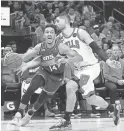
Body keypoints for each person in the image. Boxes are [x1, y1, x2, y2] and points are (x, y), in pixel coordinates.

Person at [49, 13, 121, 130]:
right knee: (91, 99)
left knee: (71, 86)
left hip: (91, 67)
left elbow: (96, 48)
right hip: (78, 71)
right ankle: (113, 109)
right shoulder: (59, 39)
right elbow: (58, 57)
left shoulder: (80, 33)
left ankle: (66, 121)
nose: (55, 23)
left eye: (57, 21)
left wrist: (108, 61)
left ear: (66, 21)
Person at [11, 24, 83, 126]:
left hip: (57, 77)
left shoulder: (61, 47)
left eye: (51, 32)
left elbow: (79, 57)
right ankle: (18, 114)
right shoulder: (39, 47)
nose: (49, 34)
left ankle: (29, 115)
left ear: (55, 35)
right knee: (32, 87)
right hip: (44, 71)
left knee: (42, 98)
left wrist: (67, 59)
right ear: (44, 35)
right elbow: (25, 56)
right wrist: (22, 64)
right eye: (47, 32)